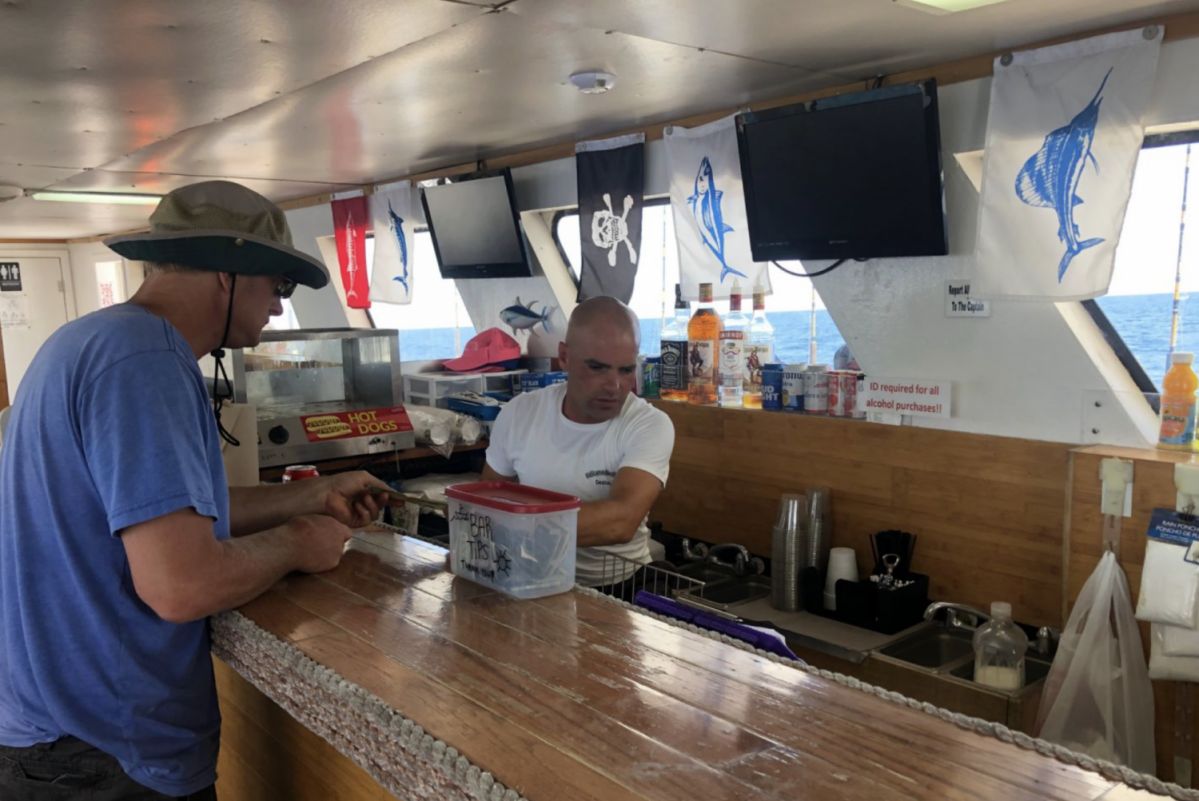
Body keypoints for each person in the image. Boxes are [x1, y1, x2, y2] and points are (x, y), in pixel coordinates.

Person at [0, 180, 388, 799]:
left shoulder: (90, 342)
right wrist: (297, 543)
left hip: (56, 738)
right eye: (277, 286)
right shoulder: (145, 363)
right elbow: (181, 584)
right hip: (108, 754)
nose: (280, 308)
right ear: (229, 273)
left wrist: (313, 496)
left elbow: (163, 517)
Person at [482, 296, 675, 590]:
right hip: (529, 578)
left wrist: (511, 524)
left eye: (625, 370)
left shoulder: (650, 424)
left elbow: (621, 521)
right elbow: (486, 500)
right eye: (597, 368)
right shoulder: (519, 412)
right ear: (565, 357)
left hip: (617, 587)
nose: (615, 386)